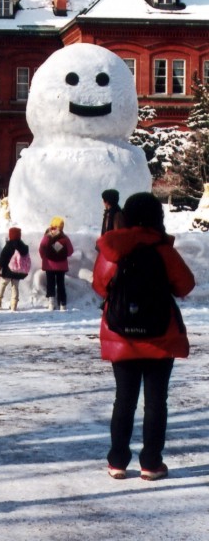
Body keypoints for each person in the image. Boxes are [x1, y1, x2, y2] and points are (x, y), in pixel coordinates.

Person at [93, 192, 195, 481]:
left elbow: (100, 286)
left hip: (121, 337)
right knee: (156, 401)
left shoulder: (114, 248)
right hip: (160, 336)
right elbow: (185, 285)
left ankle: (117, 461)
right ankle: (151, 462)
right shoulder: (163, 250)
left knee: (123, 400)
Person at [39, 216, 74, 311]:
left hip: (49, 265)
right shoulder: (65, 238)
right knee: (61, 284)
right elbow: (70, 251)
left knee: (50, 283)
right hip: (61, 266)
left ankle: (51, 303)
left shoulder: (47, 236)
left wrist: (45, 258)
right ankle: (62, 304)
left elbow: (41, 248)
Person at [0, 227, 30, 311]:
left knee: (2, 284)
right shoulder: (23, 246)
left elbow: (3, 258)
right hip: (18, 271)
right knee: (15, 287)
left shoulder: (9, 245)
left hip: (8, 270)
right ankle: (14, 305)